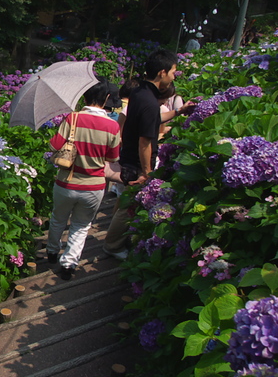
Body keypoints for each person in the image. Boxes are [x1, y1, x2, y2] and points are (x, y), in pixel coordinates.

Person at [103, 49, 194, 259]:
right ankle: (113, 245)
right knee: (128, 207)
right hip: (137, 162)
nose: (173, 76)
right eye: (173, 72)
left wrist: (178, 112)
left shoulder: (139, 91)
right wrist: (147, 173)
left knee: (124, 201)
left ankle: (114, 239)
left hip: (128, 157)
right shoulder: (151, 103)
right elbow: (145, 141)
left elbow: (150, 121)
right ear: (162, 73)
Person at [46, 81, 121, 280]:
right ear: (106, 99)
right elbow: (112, 159)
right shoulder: (113, 126)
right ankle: (69, 265)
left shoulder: (73, 118)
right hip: (93, 186)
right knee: (81, 225)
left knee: (58, 219)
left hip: (66, 183)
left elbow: (54, 145)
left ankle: (52, 252)